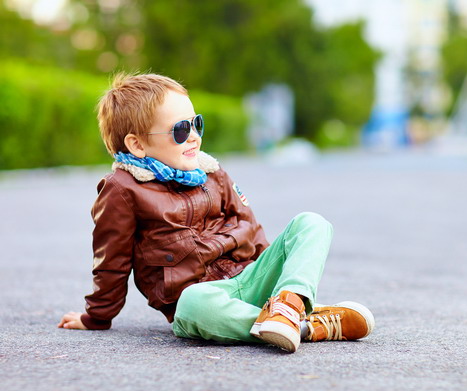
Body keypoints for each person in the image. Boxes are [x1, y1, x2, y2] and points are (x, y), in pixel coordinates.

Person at [57, 73, 374, 353]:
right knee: (196, 305)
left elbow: (250, 224)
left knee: (311, 223)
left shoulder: (212, 173)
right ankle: (307, 325)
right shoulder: (123, 189)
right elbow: (111, 261)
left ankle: (288, 305)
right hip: (199, 297)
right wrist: (96, 317)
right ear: (137, 145)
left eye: (197, 123)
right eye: (180, 130)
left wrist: (273, 276)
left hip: (248, 276)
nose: (193, 135)